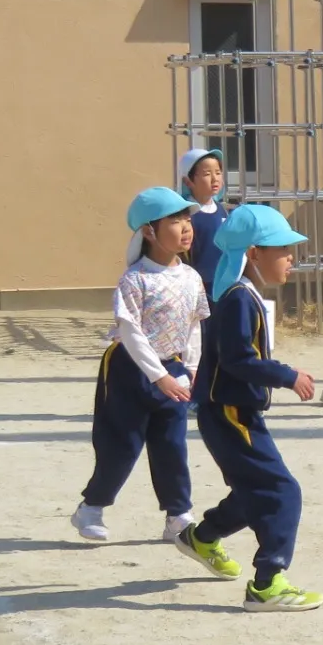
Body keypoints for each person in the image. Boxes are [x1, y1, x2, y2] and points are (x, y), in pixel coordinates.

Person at [176, 204, 323, 611]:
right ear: (254, 253)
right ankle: (267, 583)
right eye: (282, 248)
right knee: (281, 491)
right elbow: (238, 360)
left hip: (231, 412)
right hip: (229, 413)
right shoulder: (240, 298)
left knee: (252, 489)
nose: (291, 257)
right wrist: (287, 375)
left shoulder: (245, 295)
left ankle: (202, 537)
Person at [71, 188, 212, 546]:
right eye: (174, 220)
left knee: (172, 445)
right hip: (129, 370)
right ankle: (91, 507)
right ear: (149, 232)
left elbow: (194, 325)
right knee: (122, 444)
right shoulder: (135, 279)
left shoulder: (192, 278)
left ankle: (178, 515)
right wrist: (159, 375)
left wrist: (190, 369)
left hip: (173, 369)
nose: (185, 227)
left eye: (187, 219)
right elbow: (130, 333)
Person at [178, 148, 228, 304]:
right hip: (195, 286)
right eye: (207, 174)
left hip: (221, 283)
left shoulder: (222, 210)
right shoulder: (185, 213)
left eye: (218, 173)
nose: (215, 179)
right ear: (188, 181)